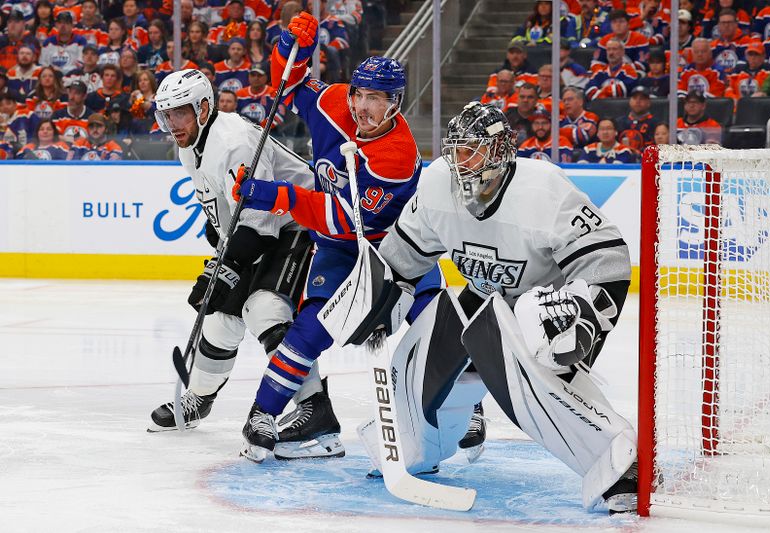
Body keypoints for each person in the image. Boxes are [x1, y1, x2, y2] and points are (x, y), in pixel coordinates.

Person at [327, 102, 638, 514]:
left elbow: (608, 261)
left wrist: (583, 312)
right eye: (456, 149)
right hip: (484, 299)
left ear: (501, 150)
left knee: (523, 328)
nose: (460, 161)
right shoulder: (437, 185)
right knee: (434, 328)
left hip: (545, 313)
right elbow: (401, 259)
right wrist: (379, 298)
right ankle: (413, 447)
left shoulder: (542, 189)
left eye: (472, 150)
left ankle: (620, 464)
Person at [230, 12, 426, 462]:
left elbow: (341, 216)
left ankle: (466, 408)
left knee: (436, 321)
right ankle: (265, 415)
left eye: (375, 98)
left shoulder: (396, 156)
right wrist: (288, 45)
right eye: (359, 93)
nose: (361, 106)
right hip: (338, 251)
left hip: (397, 250)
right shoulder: (335, 102)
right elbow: (287, 85)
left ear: (394, 103)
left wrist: (273, 195)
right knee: (309, 330)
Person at [147, 69, 319, 444]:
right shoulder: (189, 146)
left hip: (299, 221)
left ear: (204, 107)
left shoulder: (235, 141)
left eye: (179, 112)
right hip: (258, 228)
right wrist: (220, 247)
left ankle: (314, 406)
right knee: (221, 319)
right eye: (167, 115)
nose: (172, 123)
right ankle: (200, 398)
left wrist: (223, 268)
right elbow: (224, 213)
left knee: (267, 310)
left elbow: (260, 223)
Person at [614, 85, 658, 152]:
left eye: (642, 98)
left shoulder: (656, 124)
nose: (638, 101)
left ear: (648, 102)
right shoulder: (619, 122)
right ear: (630, 101)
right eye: (634, 98)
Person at [504, 82, 538, 146]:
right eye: (522, 97)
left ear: (536, 100)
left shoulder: (542, 118)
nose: (525, 100)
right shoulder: (505, 117)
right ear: (517, 99)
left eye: (530, 97)